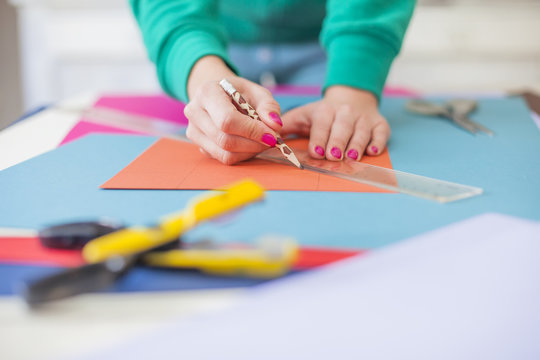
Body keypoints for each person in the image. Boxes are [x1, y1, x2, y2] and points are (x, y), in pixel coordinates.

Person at [130, 0, 415, 165]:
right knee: (213, 121)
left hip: (330, 41)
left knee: (344, 126)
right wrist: (200, 71)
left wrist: (352, 90)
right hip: (211, 38)